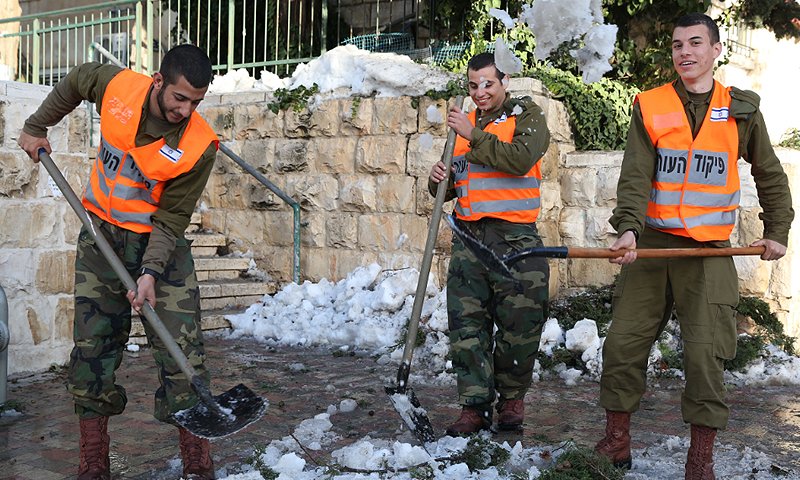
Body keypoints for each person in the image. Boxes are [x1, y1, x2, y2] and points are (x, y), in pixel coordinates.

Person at [594, 13, 793, 479]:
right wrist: (628, 229)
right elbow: (636, 175)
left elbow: (770, 174)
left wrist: (777, 230)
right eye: (678, 44)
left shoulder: (741, 109)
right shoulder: (651, 105)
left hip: (708, 252)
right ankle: (616, 441)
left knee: (705, 354)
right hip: (653, 248)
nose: (685, 52)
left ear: (715, 50)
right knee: (623, 344)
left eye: (695, 43)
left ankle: (699, 459)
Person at [18, 44, 220, 480]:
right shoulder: (117, 86)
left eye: (196, 103)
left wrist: (149, 273)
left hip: (159, 247)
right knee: (92, 349)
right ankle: (93, 458)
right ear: (159, 82)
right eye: (179, 98)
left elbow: (173, 218)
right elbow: (75, 81)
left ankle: (196, 460)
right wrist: (37, 126)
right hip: (100, 239)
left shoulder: (199, 145)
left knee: (181, 349)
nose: (185, 111)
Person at [428, 52, 551, 436]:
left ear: (505, 81)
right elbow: (452, 186)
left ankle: (512, 399)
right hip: (468, 239)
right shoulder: (464, 126)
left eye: (488, 84)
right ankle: (474, 406)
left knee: (519, 326)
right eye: (472, 85)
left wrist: (471, 134)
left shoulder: (526, 117)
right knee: (467, 327)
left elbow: (519, 159)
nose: (479, 92)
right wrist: (438, 180)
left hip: (516, 240)